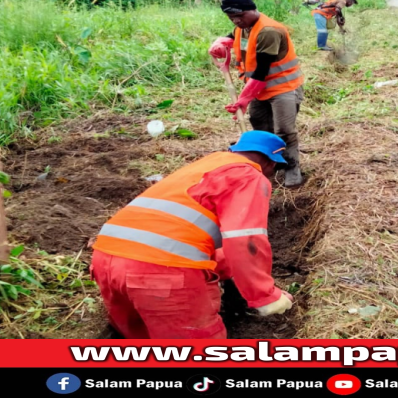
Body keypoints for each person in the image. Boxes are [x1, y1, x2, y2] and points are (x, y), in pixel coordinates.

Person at [90, 131, 295, 339]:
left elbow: (187, 236)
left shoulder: (204, 166)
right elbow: (244, 239)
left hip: (105, 260)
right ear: (270, 162)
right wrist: (265, 295)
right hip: (161, 271)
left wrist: (228, 275)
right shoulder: (248, 175)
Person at [209, 0, 305, 187]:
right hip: (258, 89)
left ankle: (292, 167)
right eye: (231, 17)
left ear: (252, 9)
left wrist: (243, 100)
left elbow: (261, 72)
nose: (236, 21)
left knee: (284, 130)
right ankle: (271, 162)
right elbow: (235, 38)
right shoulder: (243, 27)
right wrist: (221, 42)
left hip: (282, 88)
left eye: (239, 15)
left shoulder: (269, 31)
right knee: (260, 125)